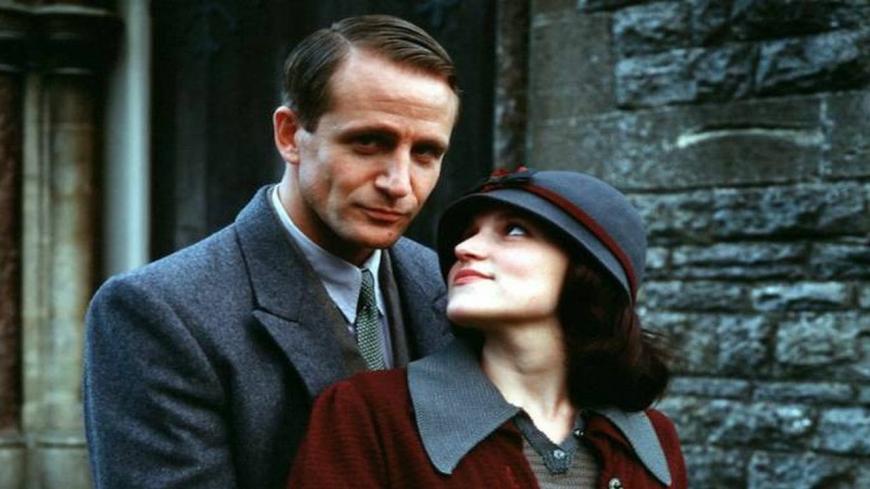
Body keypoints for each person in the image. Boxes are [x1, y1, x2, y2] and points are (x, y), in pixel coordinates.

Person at [83, 15, 459, 489]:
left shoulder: (450, 284)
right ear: (289, 135)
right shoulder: (158, 312)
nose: (399, 184)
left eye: (425, 153)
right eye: (368, 142)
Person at [289, 168, 688, 488]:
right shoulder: (368, 415)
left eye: (513, 230)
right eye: (469, 234)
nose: (464, 249)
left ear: (587, 272)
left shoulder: (652, 440)